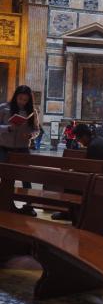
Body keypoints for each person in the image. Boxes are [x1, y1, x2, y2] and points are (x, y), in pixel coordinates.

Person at [0, 85, 40, 216]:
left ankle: (29, 205)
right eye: (20, 98)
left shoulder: (32, 112)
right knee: (5, 176)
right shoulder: (4, 108)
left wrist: (31, 135)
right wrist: (7, 128)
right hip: (4, 148)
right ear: (15, 96)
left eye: (25, 100)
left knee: (26, 177)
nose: (22, 102)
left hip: (23, 149)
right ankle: (6, 203)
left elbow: (36, 130)